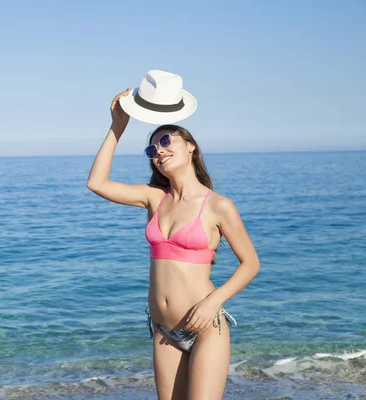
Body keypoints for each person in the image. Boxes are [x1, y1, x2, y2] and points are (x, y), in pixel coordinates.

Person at [86, 83, 260, 399]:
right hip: (164, 331)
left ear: (191, 146)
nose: (159, 151)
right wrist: (118, 126)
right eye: (152, 149)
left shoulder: (218, 205)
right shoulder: (155, 199)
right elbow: (96, 183)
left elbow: (251, 264)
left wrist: (213, 302)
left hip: (206, 327)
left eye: (166, 141)